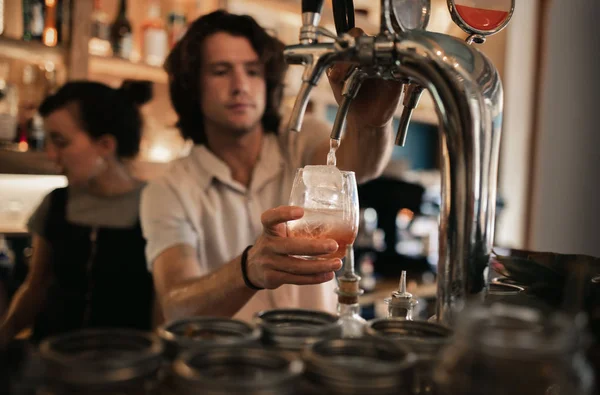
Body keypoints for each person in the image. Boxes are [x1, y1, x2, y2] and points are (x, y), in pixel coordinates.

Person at [140, 10, 403, 322]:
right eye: (221, 71)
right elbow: (176, 305)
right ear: (192, 86)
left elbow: (362, 165)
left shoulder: (300, 142)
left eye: (252, 71)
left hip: (314, 353)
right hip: (227, 364)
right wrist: (247, 270)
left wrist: (372, 123)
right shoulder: (169, 189)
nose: (240, 86)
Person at [0, 80, 155, 346]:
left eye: (60, 141)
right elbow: (36, 286)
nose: (51, 154)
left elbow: (161, 303)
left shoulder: (157, 205)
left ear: (105, 145)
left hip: (125, 366)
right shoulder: (56, 203)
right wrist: (6, 332)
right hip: (52, 362)